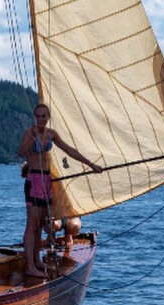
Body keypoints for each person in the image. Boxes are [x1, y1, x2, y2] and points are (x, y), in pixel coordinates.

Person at [18, 103, 102, 278]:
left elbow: (69, 150)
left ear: (48, 118)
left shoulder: (51, 134)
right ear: (35, 117)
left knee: (41, 224)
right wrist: (30, 140)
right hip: (34, 179)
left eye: (44, 116)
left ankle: (36, 260)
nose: (41, 119)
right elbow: (20, 152)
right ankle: (29, 266)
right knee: (32, 225)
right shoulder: (30, 133)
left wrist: (90, 164)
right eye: (38, 116)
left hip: (46, 180)